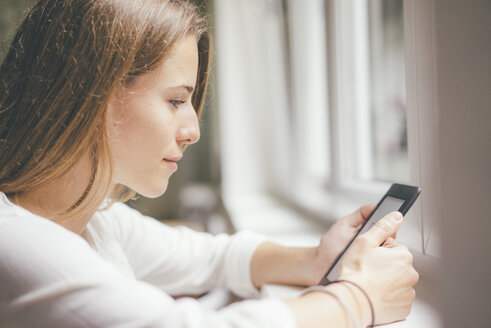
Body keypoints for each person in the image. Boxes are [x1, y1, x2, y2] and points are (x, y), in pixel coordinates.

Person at [0, 0, 419, 327]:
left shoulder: (87, 218)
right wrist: (357, 299)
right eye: (176, 101)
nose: (193, 130)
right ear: (91, 92)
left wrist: (315, 260)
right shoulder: (20, 247)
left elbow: (207, 257)